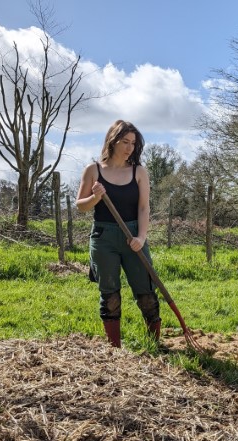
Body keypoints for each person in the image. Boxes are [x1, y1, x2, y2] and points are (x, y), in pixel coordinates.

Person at [75, 120, 161, 348]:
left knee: (146, 291)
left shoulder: (139, 172)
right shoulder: (93, 170)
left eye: (133, 143)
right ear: (112, 140)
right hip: (104, 238)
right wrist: (95, 197)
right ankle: (114, 349)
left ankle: (154, 343)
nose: (129, 147)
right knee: (110, 293)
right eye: (125, 142)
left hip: (133, 235)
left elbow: (144, 208)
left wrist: (141, 238)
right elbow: (80, 206)